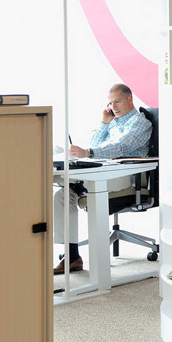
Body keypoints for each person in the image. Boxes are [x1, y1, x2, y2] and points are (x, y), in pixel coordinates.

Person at [53, 83, 153, 274]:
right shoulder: (114, 121)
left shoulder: (140, 123)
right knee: (61, 196)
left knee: (73, 182)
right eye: (110, 103)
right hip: (104, 171)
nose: (113, 107)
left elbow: (120, 146)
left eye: (117, 101)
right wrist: (104, 123)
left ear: (129, 98)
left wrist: (88, 152)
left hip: (126, 175)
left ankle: (76, 185)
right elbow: (94, 144)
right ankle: (72, 256)